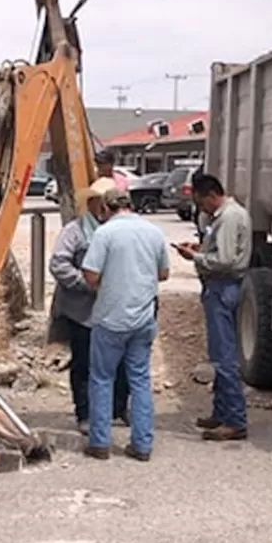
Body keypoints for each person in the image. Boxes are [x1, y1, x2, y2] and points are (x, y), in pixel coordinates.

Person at [80, 187, 170, 462]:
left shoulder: (104, 233)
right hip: (143, 319)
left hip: (110, 319)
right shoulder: (154, 232)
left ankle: (100, 443)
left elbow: (91, 275)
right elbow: (164, 274)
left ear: (106, 209)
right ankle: (142, 445)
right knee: (141, 380)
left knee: (102, 379)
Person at [47, 177, 130, 435]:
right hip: (81, 310)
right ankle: (83, 412)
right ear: (94, 203)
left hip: (113, 308)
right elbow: (58, 264)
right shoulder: (75, 231)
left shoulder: (119, 230)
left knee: (121, 361)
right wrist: (85, 283)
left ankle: (118, 407)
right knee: (83, 361)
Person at [173, 174, 252, 441]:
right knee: (218, 353)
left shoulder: (228, 218)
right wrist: (203, 248)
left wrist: (195, 256)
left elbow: (226, 260)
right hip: (221, 286)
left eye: (200, 202)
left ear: (209, 195)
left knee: (224, 356)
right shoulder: (227, 216)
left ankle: (235, 421)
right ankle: (221, 412)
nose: (201, 209)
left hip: (222, 286)